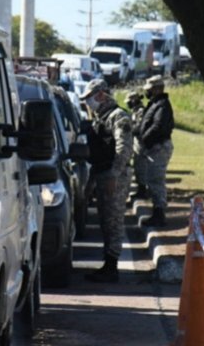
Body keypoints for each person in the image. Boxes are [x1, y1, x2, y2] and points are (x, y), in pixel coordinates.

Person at [80, 79, 133, 283]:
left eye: (89, 98)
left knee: (113, 221)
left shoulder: (118, 117)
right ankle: (108, 264)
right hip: (102, 174)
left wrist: (114, 174)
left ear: (101, 95)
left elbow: (124, 148)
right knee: (105, 221)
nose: (88, 103)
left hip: (114, 176)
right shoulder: (100, 118)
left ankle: (112, 267)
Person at [138, 76, 174, 227]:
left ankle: (159, 214)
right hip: (154, 147)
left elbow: (158, 126)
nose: (148, 92)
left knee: (156, 180)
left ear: (158, 89)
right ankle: (156, 212)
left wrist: (145, 138)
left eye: (150, 90)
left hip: (158, 147)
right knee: (152, 179)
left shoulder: (162, 105)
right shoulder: (156, 104)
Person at [126, 90, 148, 199]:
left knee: (141, 167)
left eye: (129, 101)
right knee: (137, 166)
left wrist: (129, 130)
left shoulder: (141, 111)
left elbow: (139, 127)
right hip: (136, 143)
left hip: (141, 143)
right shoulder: (134, 111)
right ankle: (141, 189)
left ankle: (143, 190)